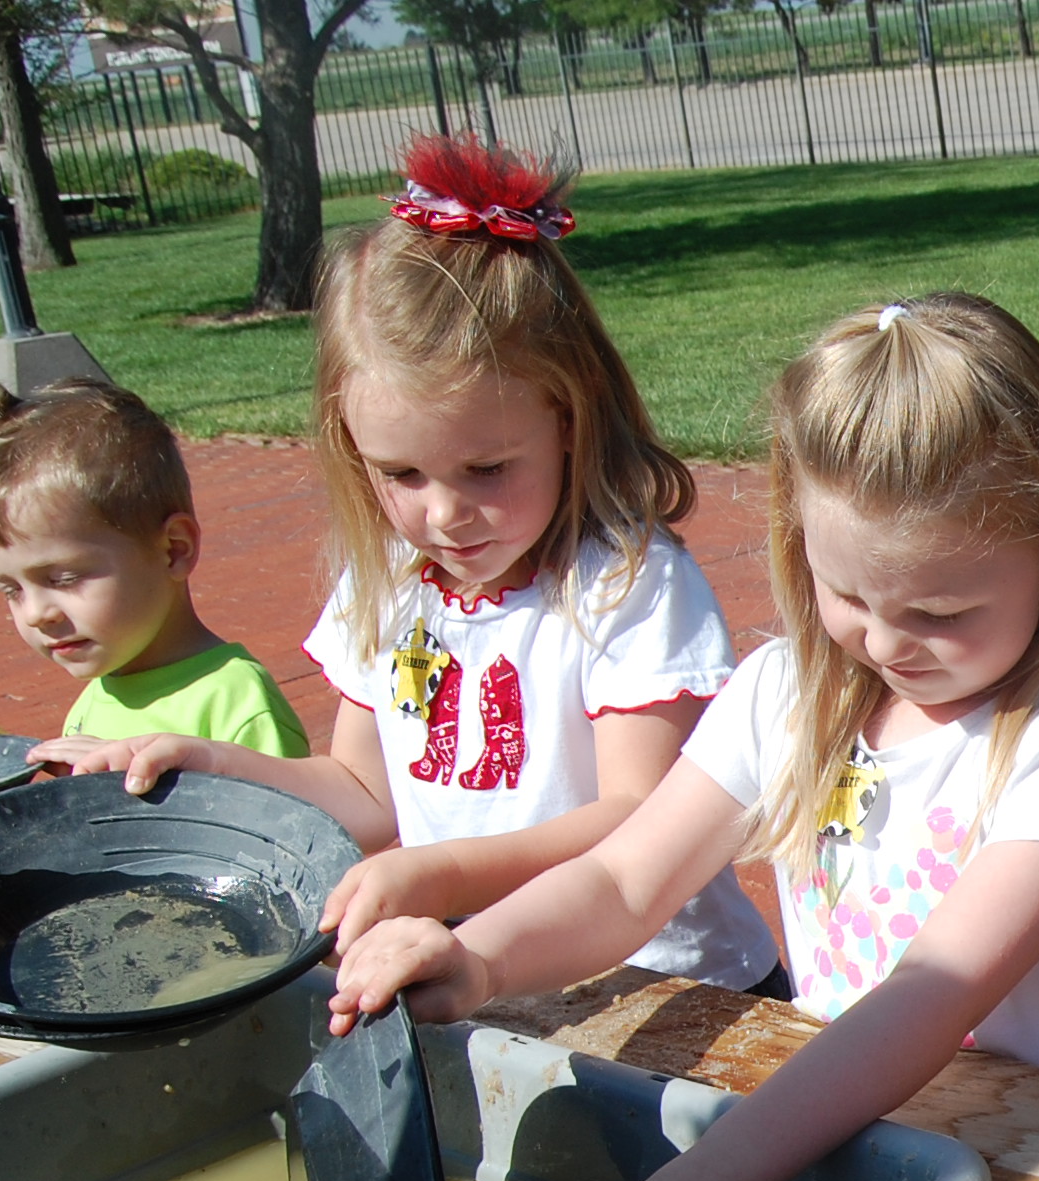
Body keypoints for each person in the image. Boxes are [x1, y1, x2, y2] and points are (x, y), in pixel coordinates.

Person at [335, 292, 1039, 1181]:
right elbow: (624, 879)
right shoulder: (782, 693)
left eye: (939, 611)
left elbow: (928, 998)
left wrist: (724, 1169)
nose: (882, 642)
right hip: (859, 1129)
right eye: (848, 594)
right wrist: (473, 958)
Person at [46, 134, 776, 992]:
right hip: (477, 971)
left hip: (662, 985)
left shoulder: (627, 584)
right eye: (399, 474)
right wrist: (201, 763)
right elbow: (361, 792)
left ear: (570, 421)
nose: (443, 512)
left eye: (488, 468)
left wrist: (438, 875)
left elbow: (637, 818)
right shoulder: (391, 584)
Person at [0, 380, 306, 757]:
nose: (36, 613)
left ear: (173, 550)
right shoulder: (98, 696)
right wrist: (25, 764)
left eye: (64, 579)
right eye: (11, 591)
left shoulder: (236, 701)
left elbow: (280, 815)